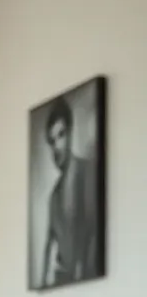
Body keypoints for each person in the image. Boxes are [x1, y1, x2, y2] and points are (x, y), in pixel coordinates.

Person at [41, 96, 98, 287]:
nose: (56, 147)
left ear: (71, 132)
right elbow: (49, 253)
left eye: (61, 135)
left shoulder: (90, 173)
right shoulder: (54, 198)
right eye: (51, 141)